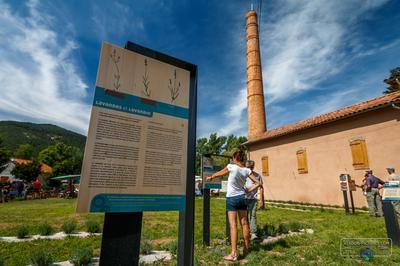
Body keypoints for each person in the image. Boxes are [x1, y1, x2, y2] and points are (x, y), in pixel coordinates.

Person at [206, 150, 262, 261]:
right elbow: (258, 183)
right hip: (243, 198)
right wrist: (248, 190)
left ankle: (233, 254)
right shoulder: (246, 170)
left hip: (232, 199)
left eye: (233, 158)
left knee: (233, 226)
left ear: (235, 158)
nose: (232, 160)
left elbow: (221, 172)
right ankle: (246, 248)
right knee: (244, 223)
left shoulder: (231, 167)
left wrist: (211, 176)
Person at [244, 160, 264, 240]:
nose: (250, 169)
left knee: (253, 216)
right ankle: (246, 232)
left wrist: (261, 200)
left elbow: (261, 188)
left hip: (253, 199)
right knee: (244, 217)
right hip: (243, 198)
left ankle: (253, 234)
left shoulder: (257, 176)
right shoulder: (243, 175)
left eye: (251, 167)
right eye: (248, 168)